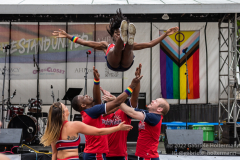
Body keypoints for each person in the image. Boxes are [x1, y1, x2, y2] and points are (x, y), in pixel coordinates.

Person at [52, 8, 179, 72]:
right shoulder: (104, 45)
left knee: (128, 48)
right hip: (112, 63)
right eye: (117, 33)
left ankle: (128, 38)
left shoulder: (131, 44)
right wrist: (68, 36)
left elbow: (150, 44)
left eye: (120, 32)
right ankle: (125, 38)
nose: (117, 34)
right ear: (112, 35)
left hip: (126, 64)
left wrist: (166, 34)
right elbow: (85, 42)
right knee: (116, 49)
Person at [70, 65, 142, 160]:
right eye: (84, 97)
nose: (87, 95)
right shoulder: (96, 112)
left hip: (116, 154)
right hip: (99, 153)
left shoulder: (120, 111)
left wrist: (97, 81)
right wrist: (131, 86)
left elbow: (132, 99)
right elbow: (102, 101)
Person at [40, 102, 133, 160]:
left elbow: (55, 153)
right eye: (66, 107)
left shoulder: (53, 130)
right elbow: (98, 132)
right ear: (64, 113)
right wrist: (118, 128)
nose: (67, 108)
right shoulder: (74, 125)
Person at [101, 64, 141, 160]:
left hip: (120, 154)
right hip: (103, 154)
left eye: (111, 98)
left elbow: (134, 98)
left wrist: (136, 81)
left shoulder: (123, 112)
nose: (109, 99)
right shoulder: (100, 113)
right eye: (107, 99)